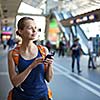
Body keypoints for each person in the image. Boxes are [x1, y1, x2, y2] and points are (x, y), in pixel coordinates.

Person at [8, 17, 54, 100]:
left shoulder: (43, 50)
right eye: (30, 28)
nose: (34, 30)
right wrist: (31, 66)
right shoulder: (13, 54)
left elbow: (49, 79)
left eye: (35, 28)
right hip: (21, 97)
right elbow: (15, 82)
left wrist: (50, 65)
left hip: (42, 96)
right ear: (20, 31)